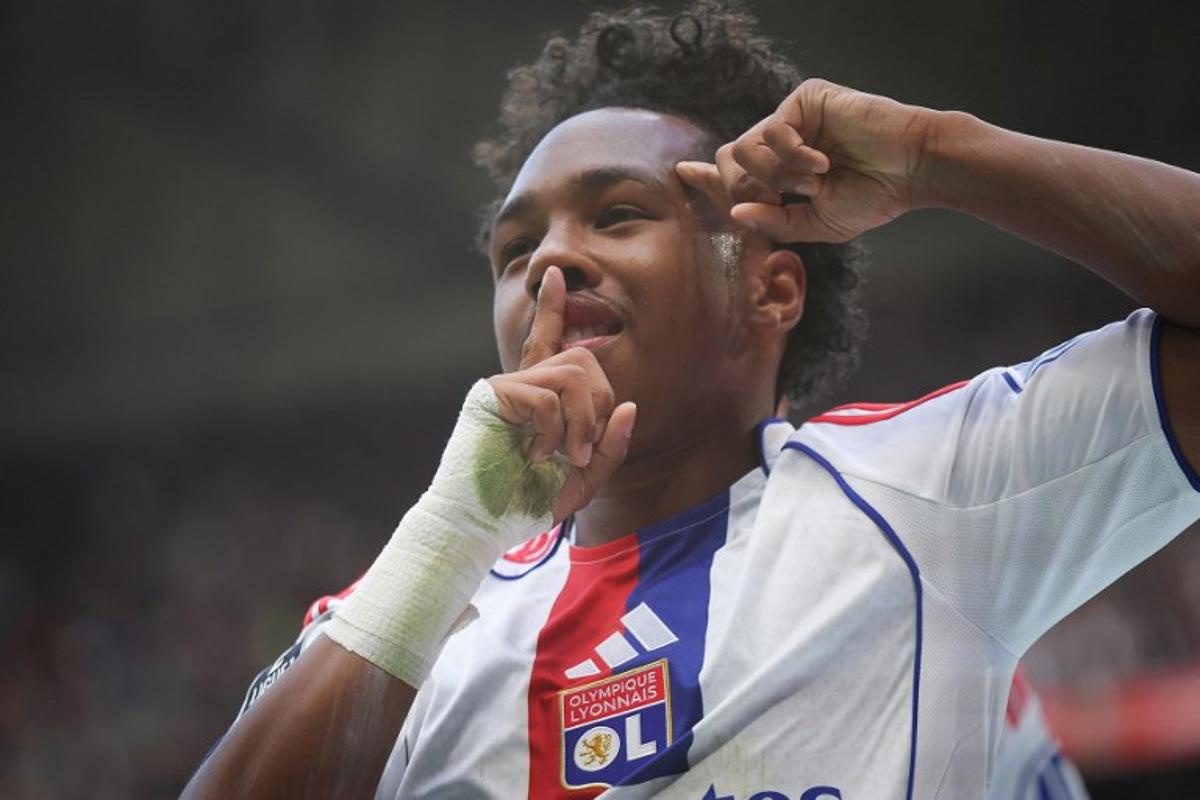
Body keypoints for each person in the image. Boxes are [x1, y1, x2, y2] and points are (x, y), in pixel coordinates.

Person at [182, 2, 1200, 798]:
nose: (552, 260)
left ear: (771, 285)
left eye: (619, 214)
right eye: (514, 248)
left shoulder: (934, 494)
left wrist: (939, 153)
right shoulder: (412, 623)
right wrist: (455, 533)